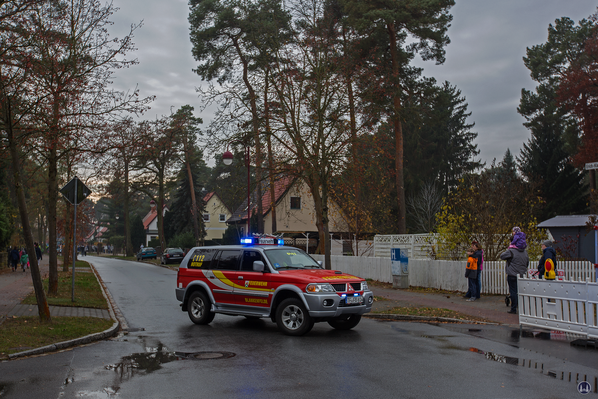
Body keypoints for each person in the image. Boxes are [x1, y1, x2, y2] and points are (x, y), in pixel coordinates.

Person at [500, 233, 529, 314]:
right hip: (521, 274)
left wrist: (509, 248)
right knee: (519, 291)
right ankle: (520, 307)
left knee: (513, 291)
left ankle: (513, 309)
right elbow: (527, 262)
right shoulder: (524, 252)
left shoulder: (511, 251)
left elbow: (502, 256)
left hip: (512, 274)